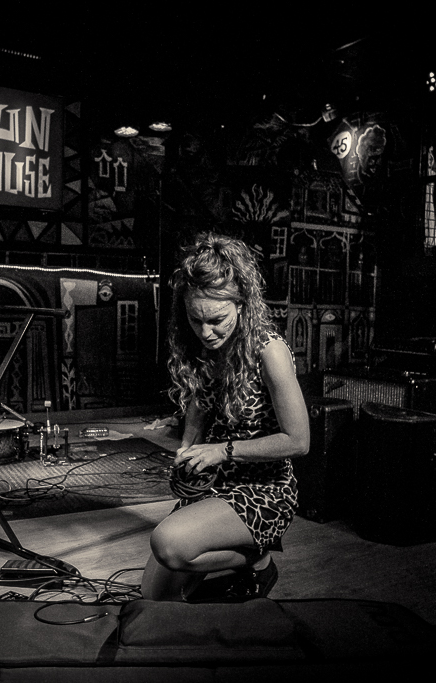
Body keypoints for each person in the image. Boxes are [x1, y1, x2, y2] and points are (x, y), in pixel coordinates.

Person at [141, 232, 309, 601]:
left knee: (168, 544)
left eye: (216, 319)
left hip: (263, 490)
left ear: (242, 304)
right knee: (154, 598)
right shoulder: (206, 346)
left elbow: (298, 442)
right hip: (217, 485)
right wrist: (188, 447)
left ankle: (259, 561)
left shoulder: (269, 351)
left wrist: (221, 451)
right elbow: (200, 403)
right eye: (195, 319)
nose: (205, 331)